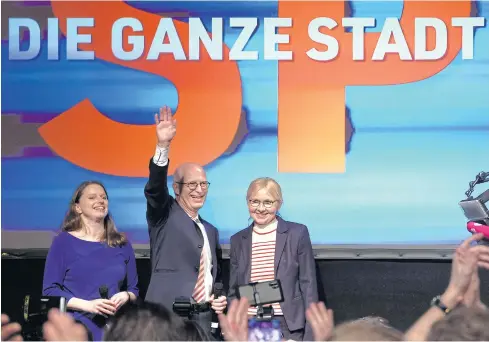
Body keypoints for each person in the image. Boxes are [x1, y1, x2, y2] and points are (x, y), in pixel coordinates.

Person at [144, 106, 227, 336]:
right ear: (176, 188)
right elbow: (154, 188)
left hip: (202, 320)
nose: (199, 190)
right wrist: (163, 146)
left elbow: (213, 276)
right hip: (166, 316)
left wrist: (218, 299)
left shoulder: (210, 230)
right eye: (192, 185)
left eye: (203, 184)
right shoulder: (163, 213)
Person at [42, 181, 139, 341]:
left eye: (104, 197)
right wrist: (88, 305)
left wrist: (126, 296)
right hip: (76, 330)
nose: (101, 201)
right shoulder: (63, 242)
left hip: (114, 330)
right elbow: (50, 290)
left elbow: (134, 289)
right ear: (77, 207)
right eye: (92, 197)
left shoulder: (121, 243)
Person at [228, 177, 318, 341]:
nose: (261, 208)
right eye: (255, 201)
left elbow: (309, 286)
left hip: (287, 325)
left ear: (279, 203)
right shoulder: (237, 240)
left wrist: (310, 337)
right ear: (247, 202)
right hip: (249, 325)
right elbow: (233, 292)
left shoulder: (297, 233)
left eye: (268, 202)